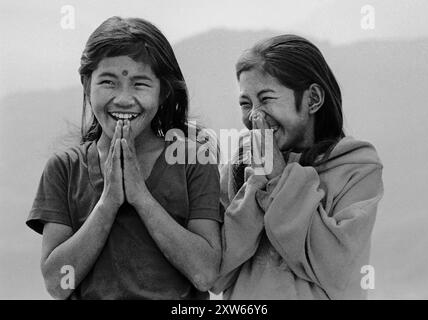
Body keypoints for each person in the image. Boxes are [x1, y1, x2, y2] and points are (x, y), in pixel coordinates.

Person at [26, 16, 222, 300]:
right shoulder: (65, 169)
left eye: (140, 84)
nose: (124, 99)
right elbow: (58, 284)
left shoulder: (193, 162)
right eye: (108, 82)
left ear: (163, 92)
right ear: (86, 84)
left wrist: (141, 197)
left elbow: (205, 274)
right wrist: (108, 202)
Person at [212, 35, 384, 299]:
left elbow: (337, 267)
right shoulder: (240, 164)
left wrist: (279, 178)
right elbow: (217, 273)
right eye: (245, 104)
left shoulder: (357, 166)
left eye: (266, 99)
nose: (254, 115)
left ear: (312, 99)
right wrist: (254, 189)